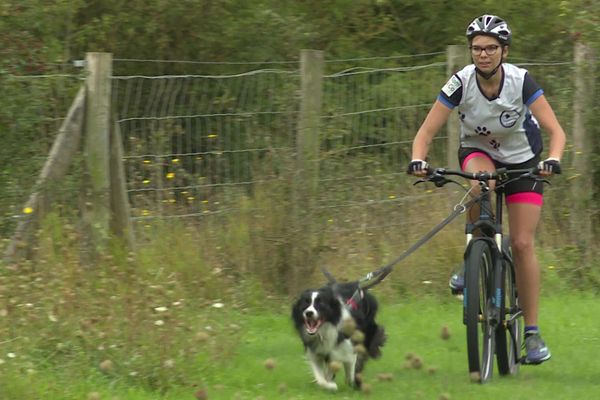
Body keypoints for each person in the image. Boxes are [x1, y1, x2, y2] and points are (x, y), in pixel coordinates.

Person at [407, 14, 566, 365]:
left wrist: (552, 160)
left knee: (523, 243)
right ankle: (473, 258)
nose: (483, 55)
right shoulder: (460, 82)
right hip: (478, 153)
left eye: (491, 48)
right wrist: (419, 160)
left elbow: (557, 132)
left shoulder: (521, 81)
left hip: (525, 158)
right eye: (477, 48)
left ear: (504, 51)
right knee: (482, 183)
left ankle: (532, 333)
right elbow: (425, 132)